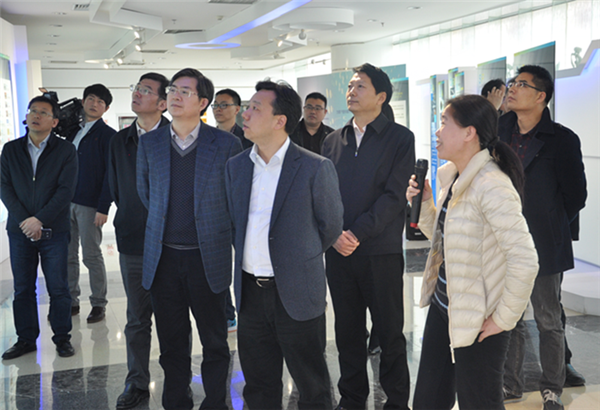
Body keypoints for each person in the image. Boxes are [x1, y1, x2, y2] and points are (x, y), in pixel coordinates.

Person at [408, 94, 538, 410]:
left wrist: (503, 319)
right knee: (427, 400)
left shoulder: (492, 184)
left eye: (444, 123)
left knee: (478, 402)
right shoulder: (453, 176)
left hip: (479, 320)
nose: (437, 131)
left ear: (469, 132)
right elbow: (446, 239)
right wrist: (424, 203)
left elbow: (525, 259)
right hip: (445, 306)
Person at [225, 80, 343, 409]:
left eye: (255, 108)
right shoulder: (236, 167)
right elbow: (235, 223)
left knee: (312, 386)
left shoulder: (314, 167)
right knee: (259, 386)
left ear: (280, 120)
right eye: (247, 107)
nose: (245, 114)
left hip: (297, 292)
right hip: (250, 294)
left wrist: (297, 256)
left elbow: (330, 227)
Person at [137, 68, 242, 410]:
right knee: (171, 343)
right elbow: (146, 193)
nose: (175, 96)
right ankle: (176, 401)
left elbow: (235, 198)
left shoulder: (225, 144)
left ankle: (216, 403)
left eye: (185, 91)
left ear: (203, 102)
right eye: (172, 90)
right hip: (164, 258)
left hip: (207, 257)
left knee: (215, 341)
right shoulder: (150, 142)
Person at [321, 63, 415, 410]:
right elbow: (324, 196)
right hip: (339, 253)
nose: (351, 91)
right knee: (347, 332)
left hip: (380, 252)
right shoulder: (333, 140)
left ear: (381, 96)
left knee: (389, 332)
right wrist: (335, 235)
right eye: (350, 86)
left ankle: (397, 401)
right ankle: (352, 398)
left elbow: (394, 196)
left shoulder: (400, 138)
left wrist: (355, 233)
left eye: (360, 86)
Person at [500, 65, 587, 410]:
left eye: (521, 84)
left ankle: (552, 388)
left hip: (544, 244)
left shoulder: (562, 139)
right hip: (504, 240)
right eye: (512, 82)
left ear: (540, 96)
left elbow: (576, 196)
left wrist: (549, 222)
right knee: (509, 317)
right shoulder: (499, 131)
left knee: (548, 318)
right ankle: (511, 384)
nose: (512, 88)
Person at [109, 73, 170, 409]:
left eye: (146, 90)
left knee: (173, 317)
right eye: (137, 88)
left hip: (172, 242)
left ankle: (176, 380)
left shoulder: (176, 137)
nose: (137, 94)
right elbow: (118, 189)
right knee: (136, 318)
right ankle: (136, 382)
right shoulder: (120, 141)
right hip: (133, 239)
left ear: (162, 103)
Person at [1, 96, 78, 359]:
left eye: (43, 112)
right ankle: (25, 339)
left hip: (54, 231)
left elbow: (65, 191)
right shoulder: (11, 149)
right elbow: (4, 187)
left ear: (54, 121)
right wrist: (25, 220)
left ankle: (62, 337)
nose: (36, 115)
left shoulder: (66, 150)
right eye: (33, 110)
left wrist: (40, 219)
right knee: (23, 288)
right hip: (20, 231)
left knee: (58, 287)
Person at [66, 83, 116, 323]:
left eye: (100, 102)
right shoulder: (72, 131)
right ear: (83, 101)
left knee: (91, 255)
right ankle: (71, 301)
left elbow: (110, 174)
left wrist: (103, 207)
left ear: (106, 108)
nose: (94, 104)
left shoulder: (108, 136)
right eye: (91, 99)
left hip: (89, 205)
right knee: (67, 255)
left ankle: (98, 303)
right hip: (65, 202)